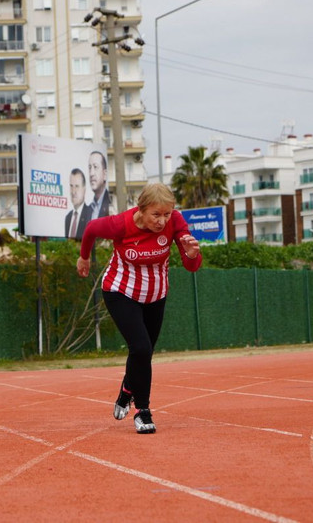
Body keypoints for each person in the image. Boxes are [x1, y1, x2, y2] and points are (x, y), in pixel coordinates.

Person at [76, 183, 202, 434]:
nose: (162, 221)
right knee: (141, 347)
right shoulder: (120, 225)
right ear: (141, 210)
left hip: (156, 294)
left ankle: (127, 389)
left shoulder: (175, 222)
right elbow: (90, 229)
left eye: (167, 214)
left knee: (144, 353)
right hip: (120, 291)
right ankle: (142, 411)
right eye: (156, 214)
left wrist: (190, 254)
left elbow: (192, 266)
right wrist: (85, 256)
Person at [65, 168, 93, 240]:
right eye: (71, 186)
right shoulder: (68, 218)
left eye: (77, 186)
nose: (73, 191)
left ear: (84, 189)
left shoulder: (91, 215)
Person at [87, 151, 111, 219]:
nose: (91, 173)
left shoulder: (111, 205)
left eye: (95, 167)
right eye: (89, 168)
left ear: (105, 174)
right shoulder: (88, 210)